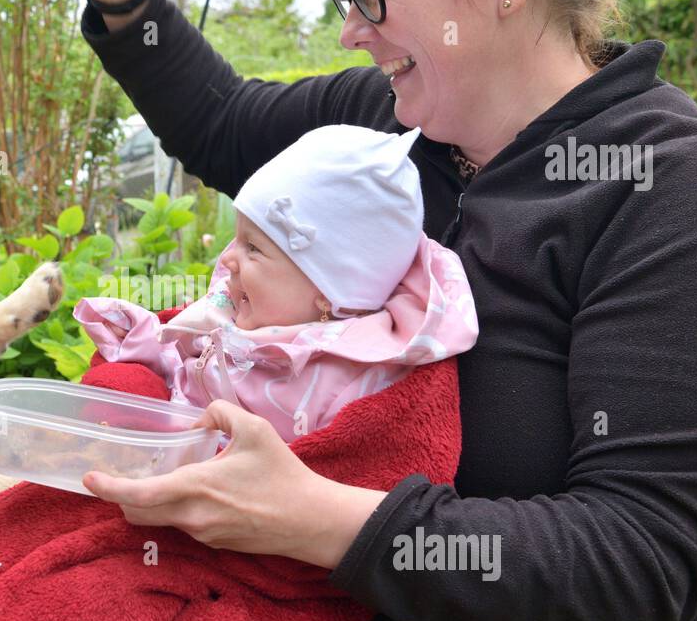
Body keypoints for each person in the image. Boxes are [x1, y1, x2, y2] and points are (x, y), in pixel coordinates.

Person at [0, 0, 697, 621]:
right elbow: (220, 121)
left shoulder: (675, 191)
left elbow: (639, 560)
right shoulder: (389, 135)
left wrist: (317, 517)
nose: (349, 32)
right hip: (360, 602)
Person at [75, 123, 480, 444]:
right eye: (236, 237)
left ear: (328, 291)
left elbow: (322, 482)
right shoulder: (233, 311)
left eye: (253, 248)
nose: (228, 258)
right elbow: (184, 372)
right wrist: (145, 348)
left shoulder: (348, 382)